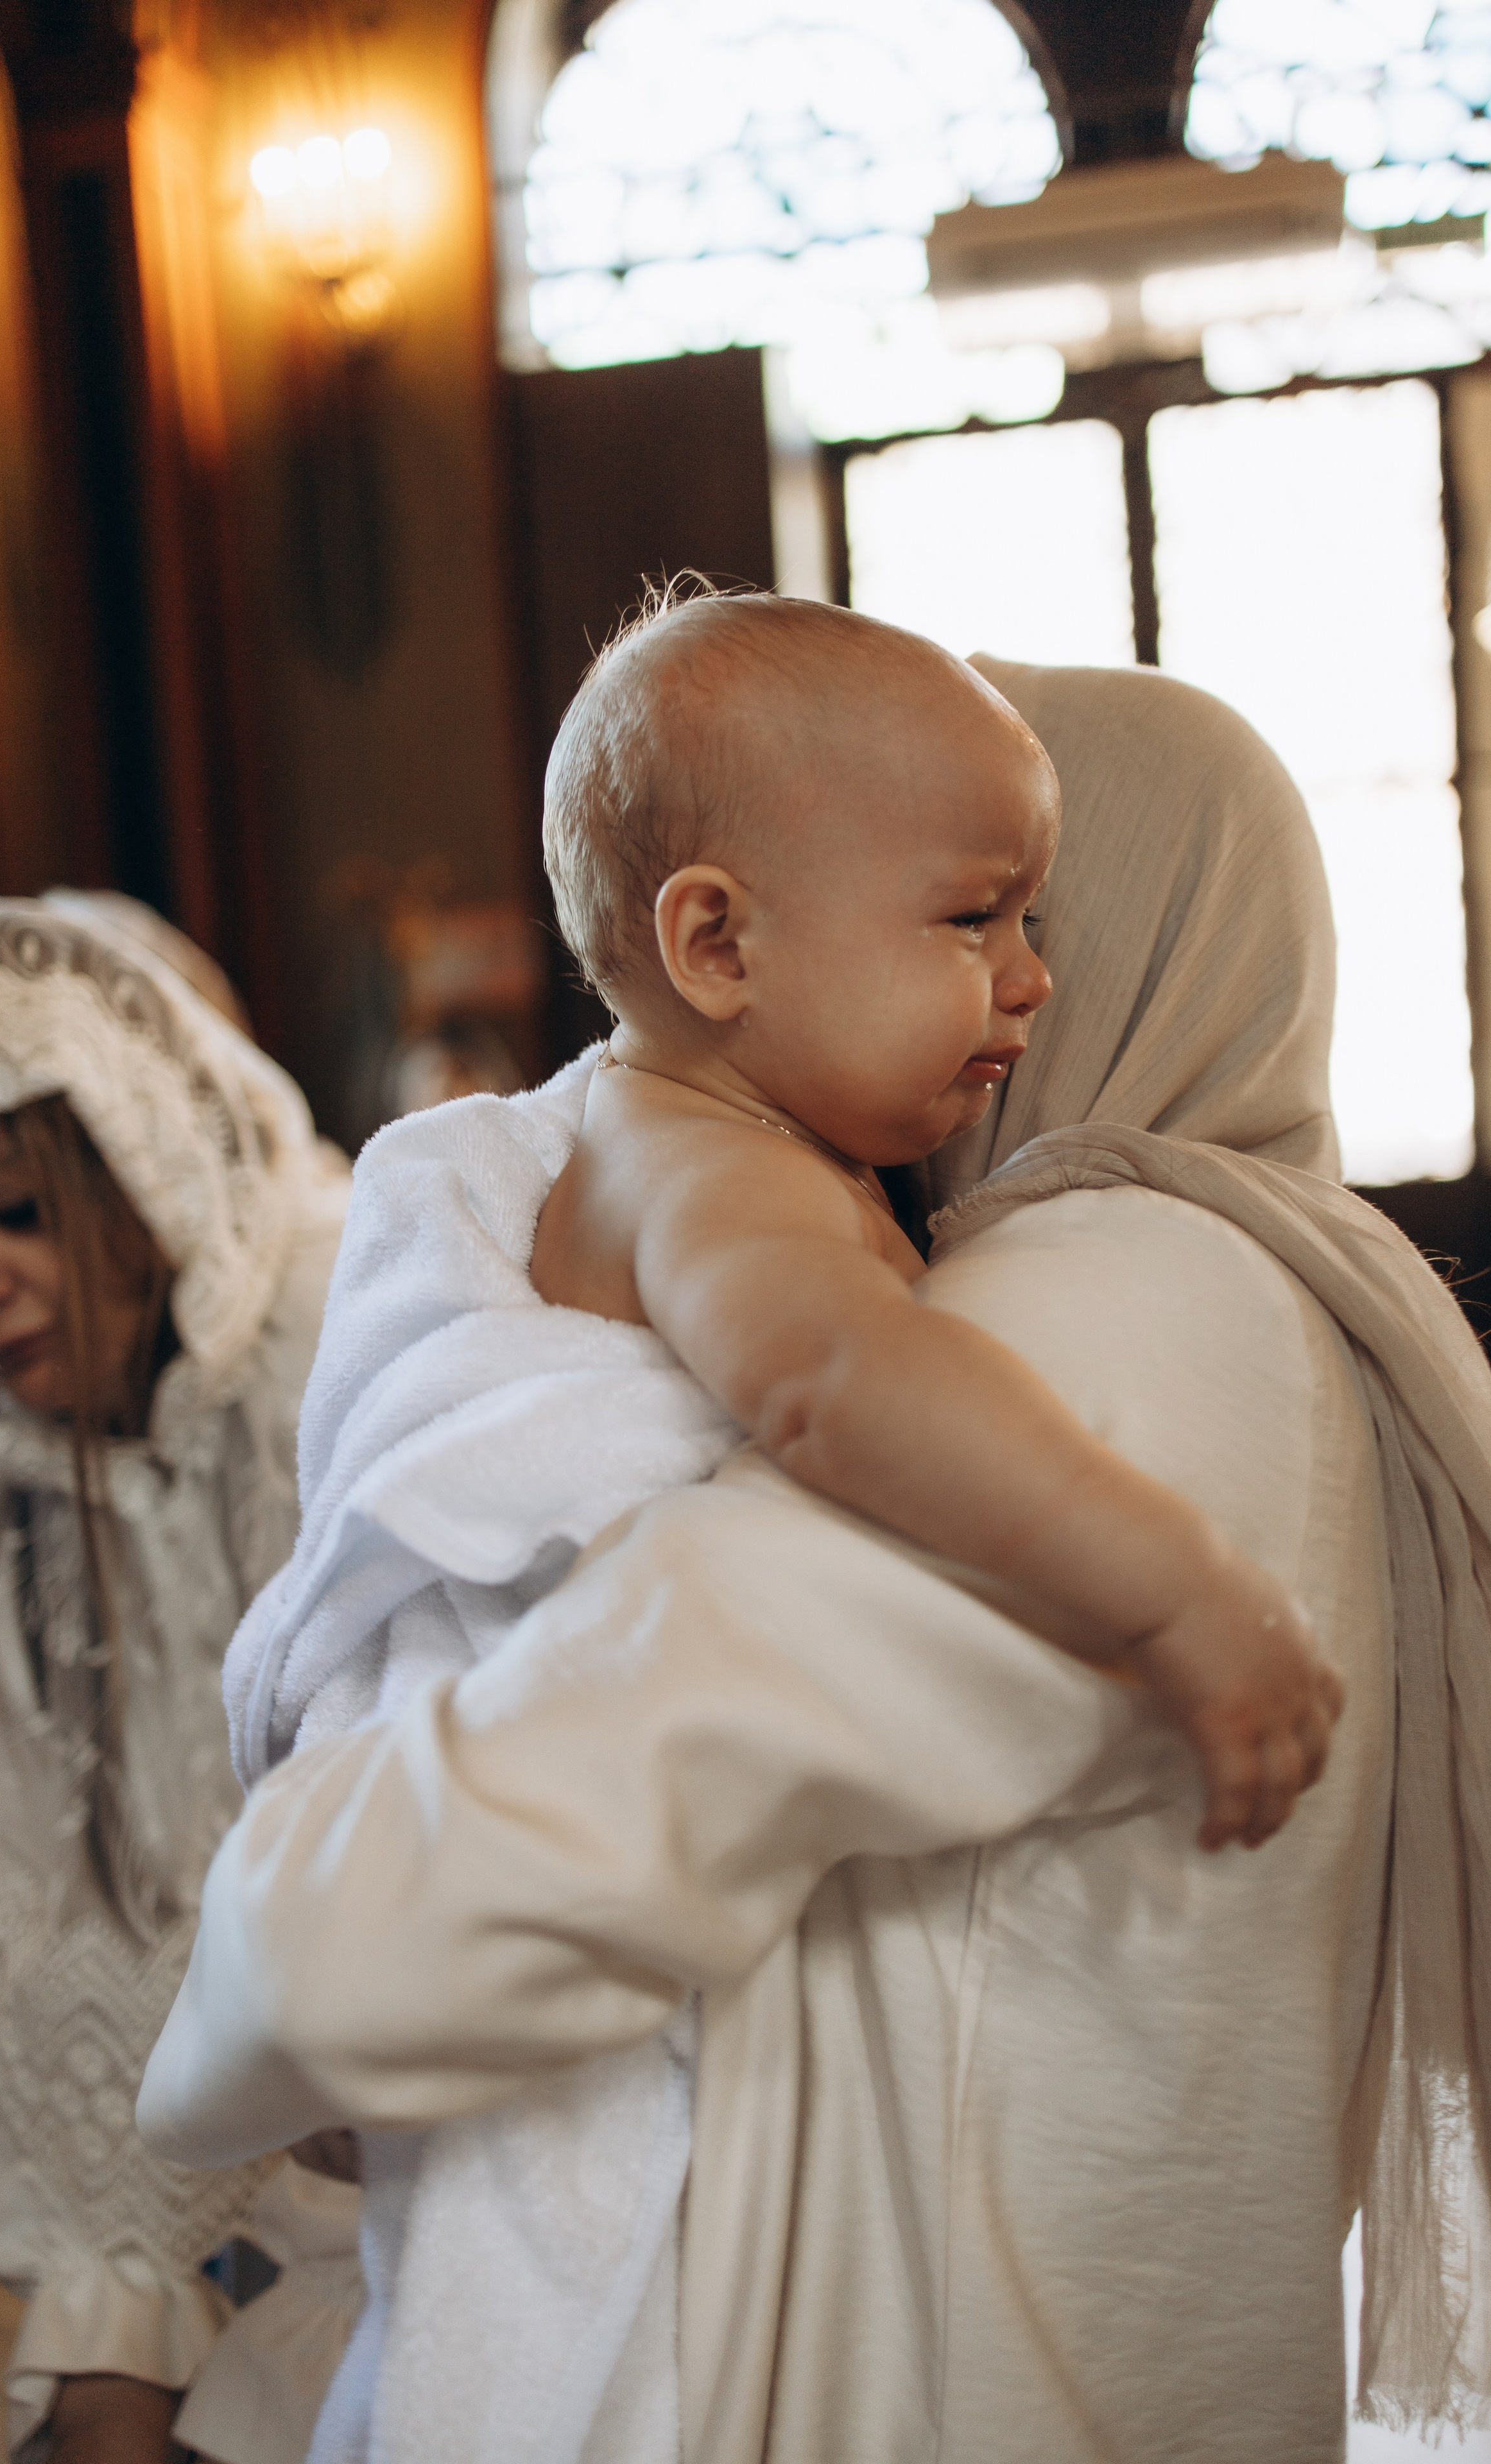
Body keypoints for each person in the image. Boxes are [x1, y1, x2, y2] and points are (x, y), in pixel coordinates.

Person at [143, 651, 1491, 2461]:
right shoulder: (1206, 1288)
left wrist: (275, 1993)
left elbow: (568, 1797)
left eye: (1040, 911)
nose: (1031, 980)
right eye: (971, 916)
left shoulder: (1128, 1298)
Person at [0, 898, 363, 2463]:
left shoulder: (342, 1356)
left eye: (8, 1210)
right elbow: (32, 1937)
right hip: (187, 2152)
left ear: (137, 1146)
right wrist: (111, 2297)